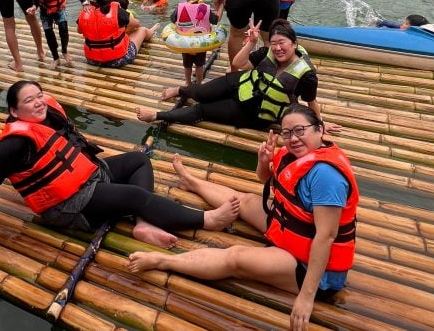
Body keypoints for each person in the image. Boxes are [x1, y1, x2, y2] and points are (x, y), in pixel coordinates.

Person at [128, 104, 359, 331]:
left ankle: (162, 261)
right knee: (246, 200)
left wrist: (306, 297)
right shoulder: (295, 152)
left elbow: (326, 236)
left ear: (319, 129)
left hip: (312, 267)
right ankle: (192, 183)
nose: (293, 138)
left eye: (300, 130)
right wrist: (264, 161)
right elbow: (264, 178)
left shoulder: (326, 176)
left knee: (236, 258)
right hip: (288, 227)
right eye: (287, 133)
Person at [0, 81, 240, 260]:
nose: (38, 102)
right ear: (14, 111)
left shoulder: (49, 113)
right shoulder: (13, 144)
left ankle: (142, 224)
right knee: (132, 195)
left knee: (139, 160)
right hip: (68, 204)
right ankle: (206, 220)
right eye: (29, 101)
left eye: (39, 95)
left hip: (91, 175)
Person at [136, 19, 342, 134]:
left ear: (294, 44)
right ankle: (180, 90)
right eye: (274, 43)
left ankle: (156, 115)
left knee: (202, 110)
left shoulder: (306, 75)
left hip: (255, 112)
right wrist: (251, 43)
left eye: (283, 43)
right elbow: (238, 64)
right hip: (241, 84)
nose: (278, 48)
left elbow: (311, 102)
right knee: (201, 92)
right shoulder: (267, 52)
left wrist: (320, 124)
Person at [77, 0, 159, 68]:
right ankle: (152, 31)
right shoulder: (118, 12)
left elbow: (79, 31)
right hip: (118, 59)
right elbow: (137, 24)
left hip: (92, 60)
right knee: (142, 30)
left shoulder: (85, 12)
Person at [170, 0, 223, 85]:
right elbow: (216, 20)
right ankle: (199, 82)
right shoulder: (206, 9)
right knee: (199, 65)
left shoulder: (179, 8)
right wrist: (221, 6)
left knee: (187, 65)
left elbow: (172, 19)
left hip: (185, 43)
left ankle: (188, 82)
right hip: (200, 43)